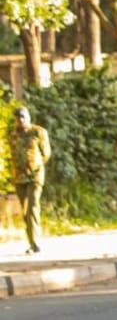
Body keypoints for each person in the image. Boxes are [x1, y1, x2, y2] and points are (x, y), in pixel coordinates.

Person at [10, 107, 50, 254]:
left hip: (34, 176)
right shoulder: (13, 134)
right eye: (18, 118)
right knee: (25, 209)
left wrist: (34, 165)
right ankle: (31, 240)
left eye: (23, 117)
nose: (20, 120)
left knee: (33, 206)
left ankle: (35, 242)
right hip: (19, 177)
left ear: (28, 117)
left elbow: (46, 154)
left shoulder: (38, 132)